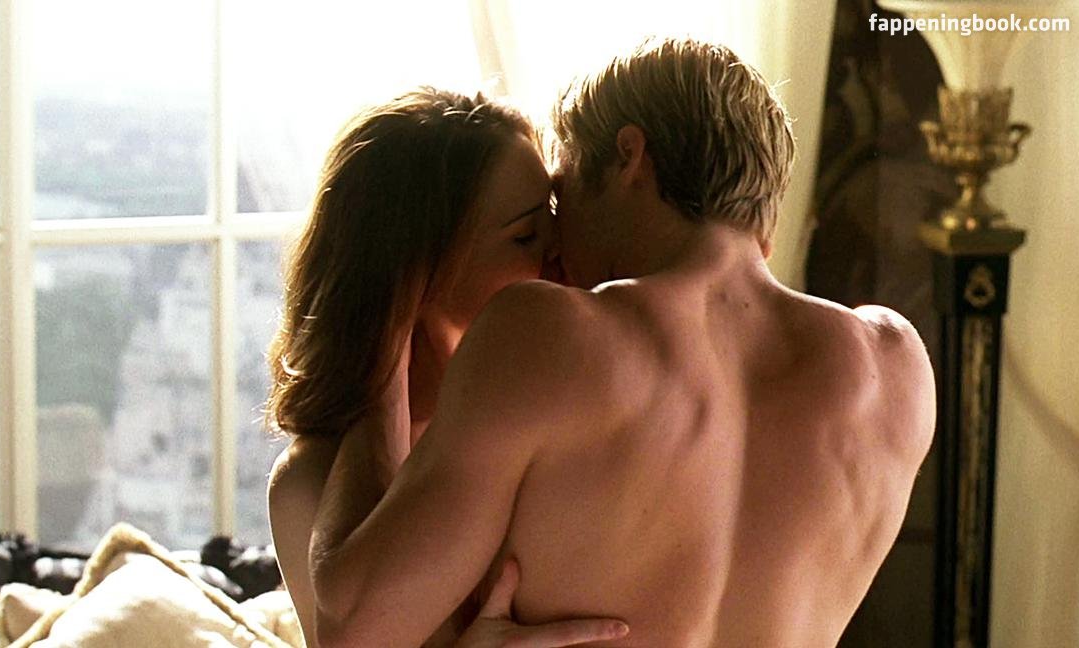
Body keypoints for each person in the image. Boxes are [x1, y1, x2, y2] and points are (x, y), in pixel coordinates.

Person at [308, 38, 936, 647]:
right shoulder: (895, 363)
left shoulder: (547, 333)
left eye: (562, 195)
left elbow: (355, 628)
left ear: (630, 156)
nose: (557, 244)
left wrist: (382, 343)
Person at [265, 88, 628, 647]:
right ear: (419, 270)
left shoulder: (562, 414)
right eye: (525, 235)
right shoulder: (310, 482)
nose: (560, 251)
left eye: (554, 220)